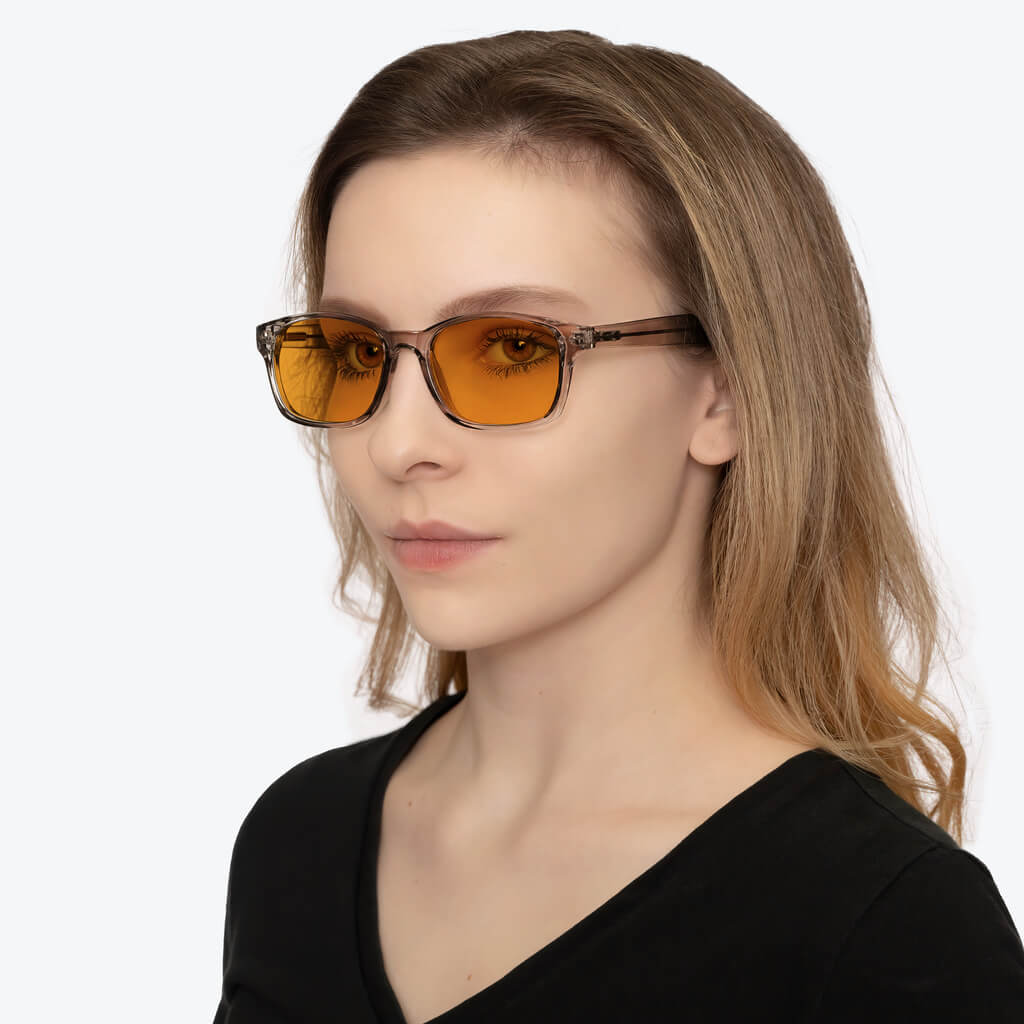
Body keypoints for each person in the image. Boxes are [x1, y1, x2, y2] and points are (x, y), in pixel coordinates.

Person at [214, 28, 1024, 1023]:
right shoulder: (302, 841)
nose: (397, 443)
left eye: (513, 349)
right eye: (354, 352)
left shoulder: (882, 927)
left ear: (726, 393)